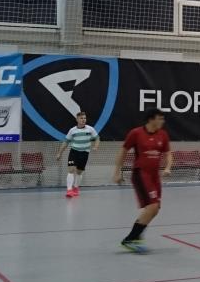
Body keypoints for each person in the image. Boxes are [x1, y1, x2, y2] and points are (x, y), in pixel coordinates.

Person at [113, 108, 173, 253]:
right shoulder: (136, 133)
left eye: (163, 118)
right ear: (151, 119)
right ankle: (129, 239)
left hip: (154, 176)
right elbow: (123, 151)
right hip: (141, 173)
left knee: (154, 209)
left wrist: (168, 167)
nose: (162, 121)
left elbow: (168, 153)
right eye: (160, 118)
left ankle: (137, 236)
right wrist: (117, 172)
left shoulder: (163, 134)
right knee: (152, 207)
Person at [55, 111, 100, 198]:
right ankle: (69, 190)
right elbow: (66, 142)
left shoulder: (90, 129)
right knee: (71, 169)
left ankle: (76, 188)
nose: (83, 120)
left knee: (79, 172)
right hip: (74, 152)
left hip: (84, 153)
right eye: (81, 118)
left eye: (84, 118)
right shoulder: (72, 130)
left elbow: (97, 138)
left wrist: (96, 146)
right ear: (77, 119)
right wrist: (59, 153)